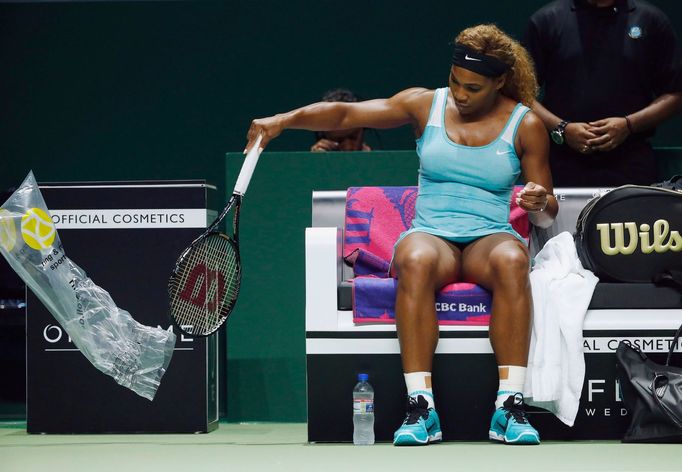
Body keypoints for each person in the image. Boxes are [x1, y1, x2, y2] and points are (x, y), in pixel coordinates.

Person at [245, 24, 558, 446]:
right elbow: (345, 116)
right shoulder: (425, 104)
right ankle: (421, 407)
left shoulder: (526, 125)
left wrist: (540, 201)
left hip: (490, 238)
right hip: (432, 236)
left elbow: (548, 205)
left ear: (500, 82)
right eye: (455, 82)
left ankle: (509, 406)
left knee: (514, 259)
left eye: (474, 87)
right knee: (413, 258)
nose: (461, 94)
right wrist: (283, 121)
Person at [524, 0, 682, 187]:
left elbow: (676, 93)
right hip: (561, 160)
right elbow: (520, 92)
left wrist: (629, 124)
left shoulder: (650, 20)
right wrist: (562, 128)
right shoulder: (546, 20)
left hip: (631, 161)